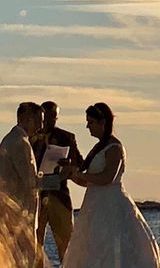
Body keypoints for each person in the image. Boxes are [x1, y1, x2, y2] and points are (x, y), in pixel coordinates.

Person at [62, 103, 160, 268]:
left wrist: (79, 173)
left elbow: (107, 178)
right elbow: (88, 181)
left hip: (111, 205)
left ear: (102, 122)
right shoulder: (98, 147)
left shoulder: (114, 148)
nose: (87, 126)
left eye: (91, 122)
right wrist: (71, 174)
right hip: (94, 205)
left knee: (112, 247)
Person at [30, 101, 83, 265]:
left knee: (66, 242)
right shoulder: (29, 137)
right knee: (34, 242)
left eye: (55, 117)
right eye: (49, 116)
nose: (51, 120)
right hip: (35, 196)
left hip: (58, 195)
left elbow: (80, 163)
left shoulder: (66, 137)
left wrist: (68, 164)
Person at [0, 102, 44, 267]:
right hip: (19, 212)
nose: (40, 127)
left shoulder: (11, 139)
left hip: (9, 212)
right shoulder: (20, 143)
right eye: (39, 121)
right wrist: (58, 178)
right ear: (27, 119)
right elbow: (30, 182)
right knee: (23, 258)